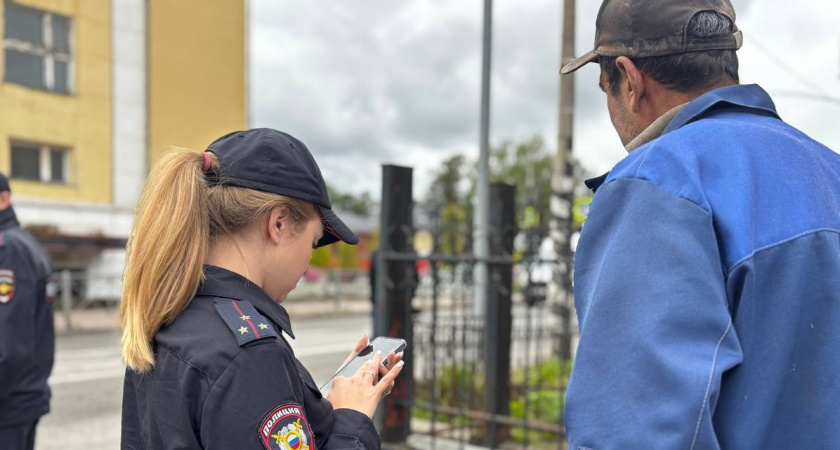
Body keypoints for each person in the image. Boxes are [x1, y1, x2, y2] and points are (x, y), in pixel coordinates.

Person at [560, 0, 840, 448]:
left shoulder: (658, 183)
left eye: (603, 88)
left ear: (630, 81)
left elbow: (635, 433)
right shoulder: (830, 170)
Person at [120, 128, 404, 449]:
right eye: (313, 242)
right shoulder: (250, 354)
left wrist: (312, 399)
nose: (309, 261)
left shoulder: (171, 316)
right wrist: (353, 418)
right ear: (278, 224)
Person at [0, 172, 54, 450]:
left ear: (4, 199)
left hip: (9, 403)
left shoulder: (8, 249)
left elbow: (9, 345)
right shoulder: (24, 243)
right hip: (21, 398)